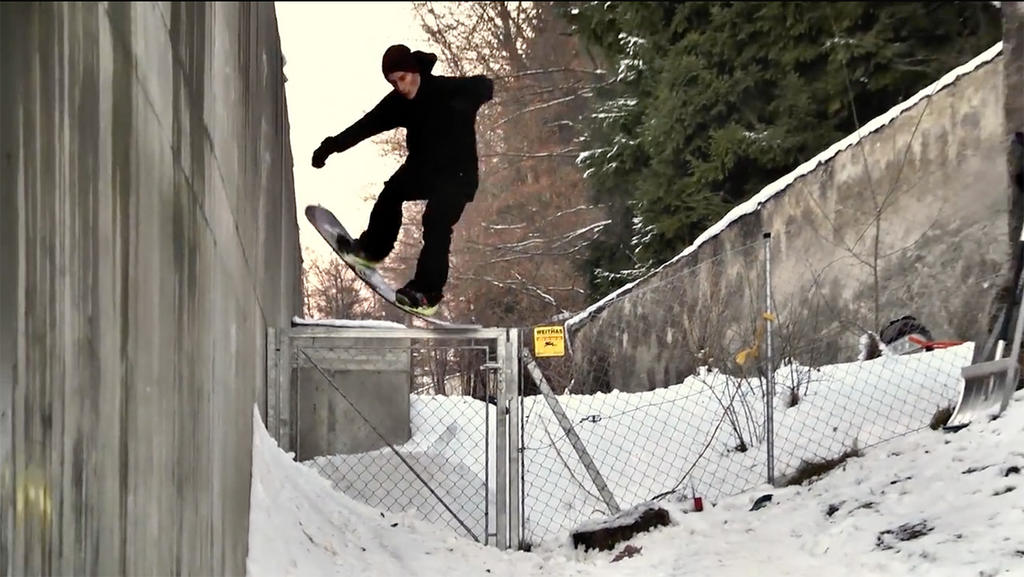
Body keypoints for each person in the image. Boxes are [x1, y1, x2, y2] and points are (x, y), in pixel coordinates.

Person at [312, 44, 495, 315]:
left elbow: (484, 86)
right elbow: (365, 125)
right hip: (424, 170)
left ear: (414, 71)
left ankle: (427, 292)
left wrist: (479, 91)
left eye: (402, 78)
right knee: (392, 192)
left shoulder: (448, 90)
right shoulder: (397, 103)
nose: (400, 87)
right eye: (393, 82)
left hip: (457, 176)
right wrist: (330, 147)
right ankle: (371, 251)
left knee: (436, 220)